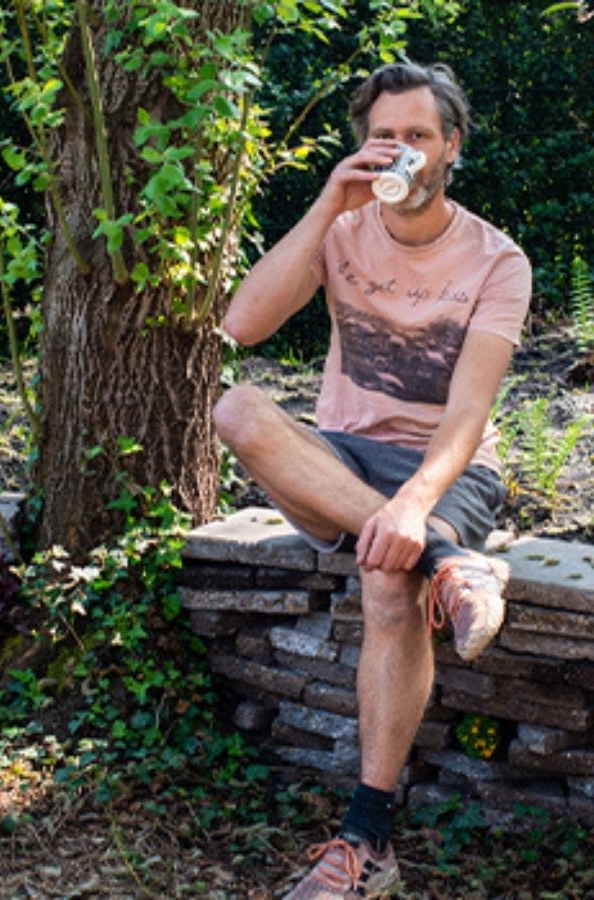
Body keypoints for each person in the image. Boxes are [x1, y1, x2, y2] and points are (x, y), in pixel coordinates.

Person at [214, 61, 531, 899]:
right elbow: (242, 326)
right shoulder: (343, 228)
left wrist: (415, 509)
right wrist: (327, 206)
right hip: (341, 456)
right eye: (383, 136)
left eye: (417, 136)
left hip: (445, 463)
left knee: (385, 581)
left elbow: (467, 413)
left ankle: (367, 842)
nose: (400, 152)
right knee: (238, 410)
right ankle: (452, 564)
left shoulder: (498, 261)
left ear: (450, 147)